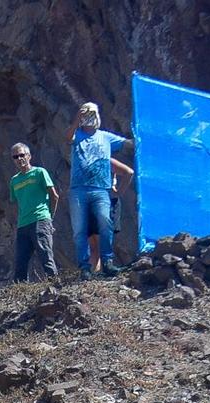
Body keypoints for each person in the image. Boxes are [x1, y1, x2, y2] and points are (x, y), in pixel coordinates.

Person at [67, 102, 134, 276]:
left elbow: (128, 144)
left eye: (93, 113)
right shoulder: (77, 134)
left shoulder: (106, 137)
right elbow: (68, 137)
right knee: (80, 229)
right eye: (86, 114)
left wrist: (143, 136)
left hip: (101, 189)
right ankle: (84, 268)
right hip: (78, 189)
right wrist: (76, 120)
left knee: (105, 223)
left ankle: (108, 262)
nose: (90, 117)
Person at [7, 143, 59, 282]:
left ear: (29, 156)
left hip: (40, 220)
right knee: (20, 263)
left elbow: (54, 196)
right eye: (15, 156)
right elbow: (15, 203)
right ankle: (19, 294)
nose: (19, 159)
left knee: (45, 256)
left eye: (22, 155)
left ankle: (55, 288)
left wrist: (49, 218)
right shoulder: (14, 180)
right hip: (23, 225)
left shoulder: (39, 172)